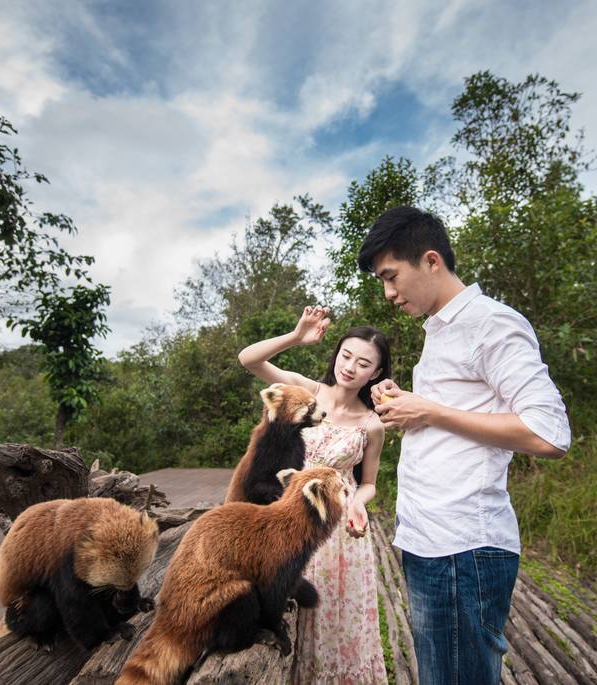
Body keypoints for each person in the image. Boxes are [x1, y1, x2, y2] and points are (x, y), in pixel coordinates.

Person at [358, 206, 571, 685]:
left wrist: (430, 411)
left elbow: (550, 433)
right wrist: (407, 408)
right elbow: (451, 422)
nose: (388, 293)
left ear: (431, 261)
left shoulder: (490, 323)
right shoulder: (441, 330)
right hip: (429, 541)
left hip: (463, 549)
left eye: (391, 277)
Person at [238, 306, 390, 685]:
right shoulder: (307, 391)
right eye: (346, 355)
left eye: (364, 363)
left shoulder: (373, 425)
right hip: (287, 520)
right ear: (336, 354)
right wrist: (295, 335)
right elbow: (248, 359)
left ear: (376, 373)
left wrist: (357, 501)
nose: (351, 367)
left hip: (337, 531)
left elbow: (368, 481)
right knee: (283, 604)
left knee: (335, 616)